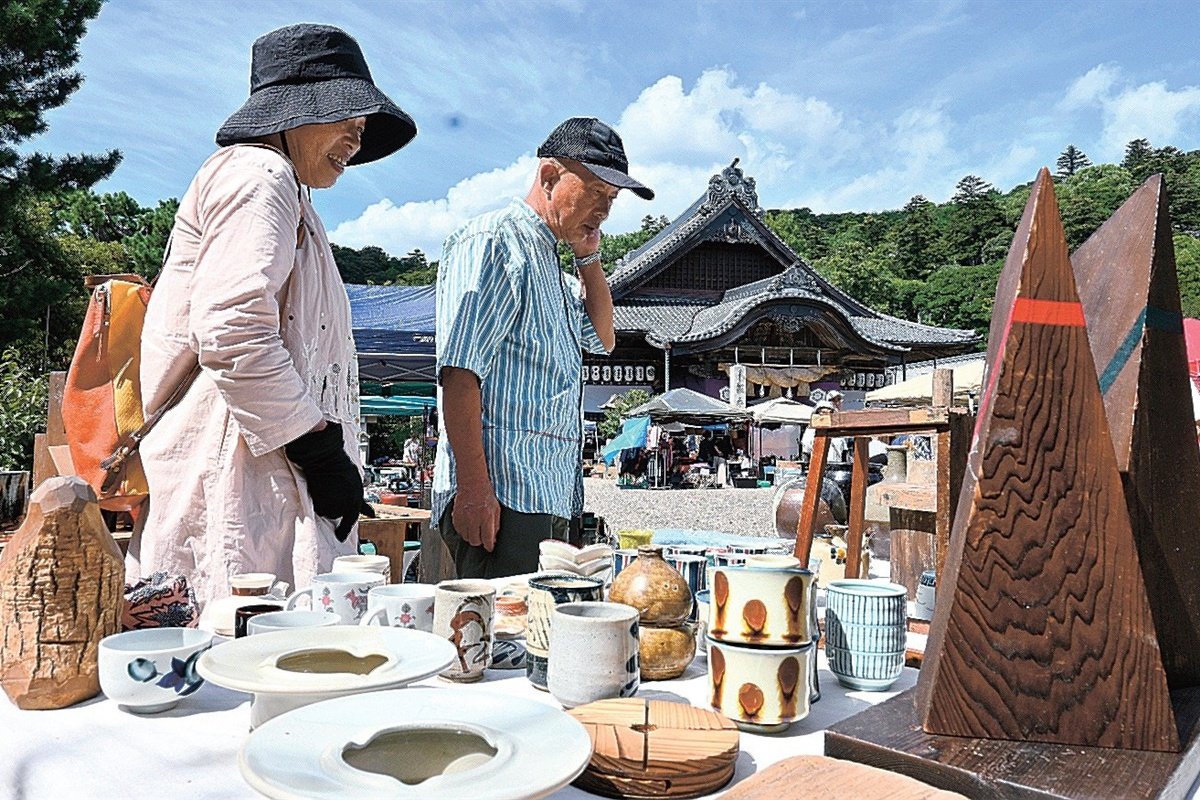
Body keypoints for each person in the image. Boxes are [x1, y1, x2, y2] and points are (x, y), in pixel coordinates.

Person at [127, 24, 416, 608]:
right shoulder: (260, 176)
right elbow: (233, 326)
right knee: (237, 632)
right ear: (292, 112)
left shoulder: (281, 188)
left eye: (362, 124)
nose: (357, 136)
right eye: (346, 117)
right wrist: (316, 447)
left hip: (256, 468)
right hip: (237, 470)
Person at [434, 117, 654, 579]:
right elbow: (459, 372)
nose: (604, 210)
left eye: (612, 199)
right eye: (596, 191)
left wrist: (589, 257)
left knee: (542, 621)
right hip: (503, 493)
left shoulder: (553, 264)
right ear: (550, 176)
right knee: (502, 621)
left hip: (551, 491)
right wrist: (473, 488)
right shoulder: (495, 240)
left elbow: (604, 338)